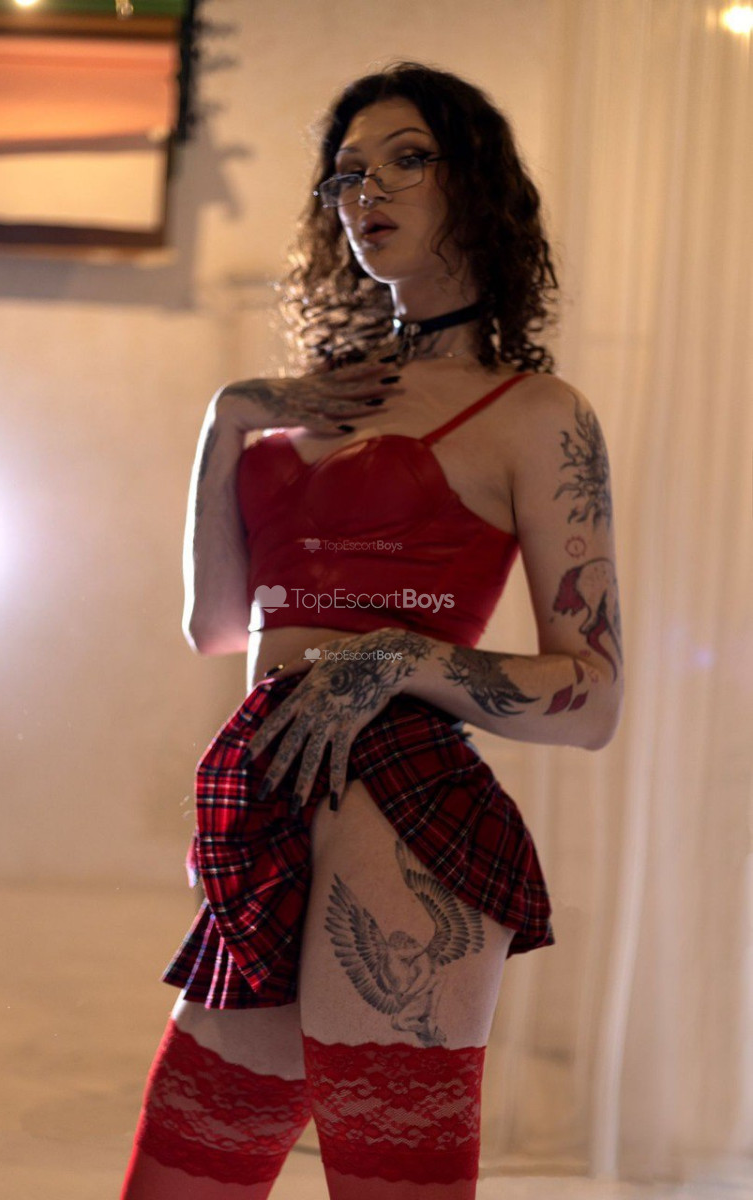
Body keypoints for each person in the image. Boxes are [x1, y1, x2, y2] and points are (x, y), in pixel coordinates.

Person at [120, 61, 623, 1200]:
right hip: (268, 794)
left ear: (475, 185)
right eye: (347, 172)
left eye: (406, 160)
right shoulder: (311, 398)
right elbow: (215, 625)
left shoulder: (536, 414)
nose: (366, 192)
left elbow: (593, 699)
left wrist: (402, 655)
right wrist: (227, 420)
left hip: (397, 809)